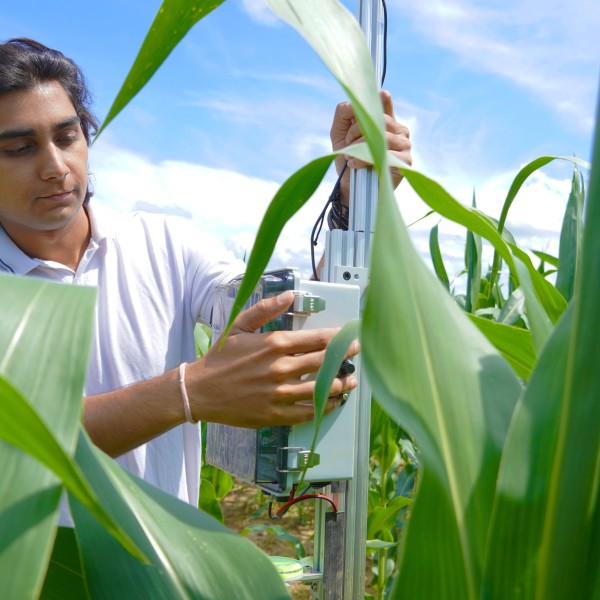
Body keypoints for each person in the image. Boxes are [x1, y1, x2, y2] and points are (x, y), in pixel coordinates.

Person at [0, 38, 412, 508]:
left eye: (67, 137)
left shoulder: (164, 245)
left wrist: (351, 196)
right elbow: (19, 448)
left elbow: (282, 317)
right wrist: (187, 394)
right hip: (40, 579)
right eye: (19, 148)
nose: (55, 167)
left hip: (167, 569)